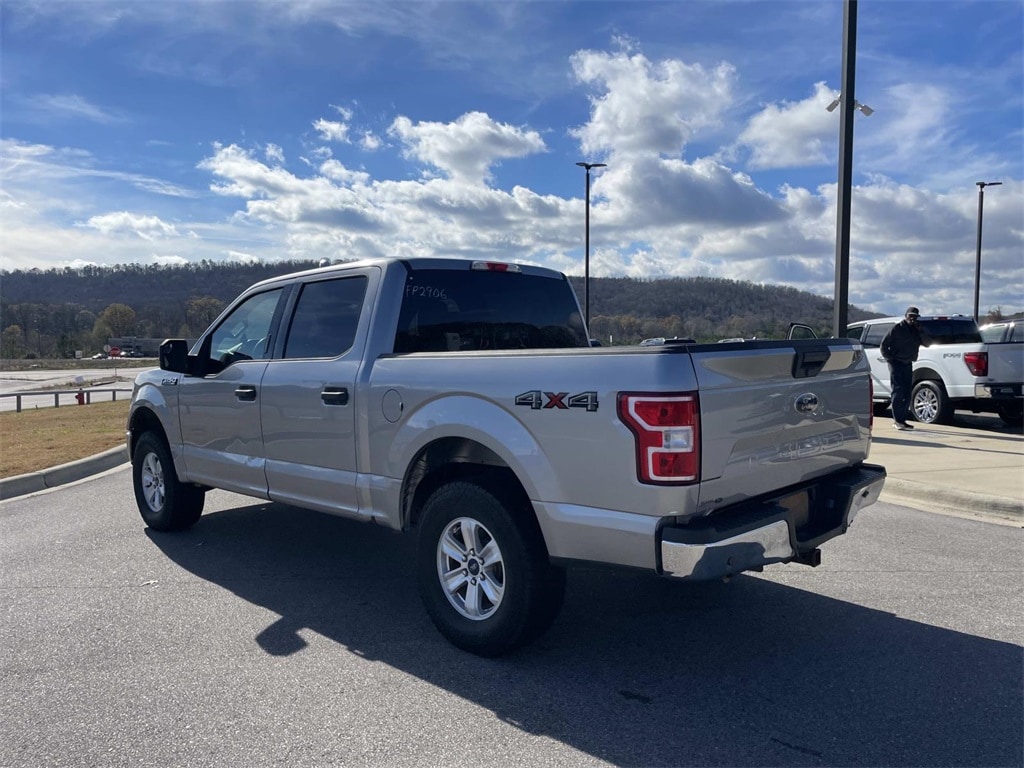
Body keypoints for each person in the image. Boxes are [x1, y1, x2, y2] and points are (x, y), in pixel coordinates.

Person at [880, 306, 931, 430]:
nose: (912, 319)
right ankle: (897, 421)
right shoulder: (897, 328)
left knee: (907, 392)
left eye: (915, 316)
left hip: (908, 363)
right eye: (910, 316)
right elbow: (884, 345)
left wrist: (921, 331)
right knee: (897, 391)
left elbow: (928, 343)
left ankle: (902, 420)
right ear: (906, 316)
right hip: (896, 363)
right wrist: (890, 359)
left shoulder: (916, 330)